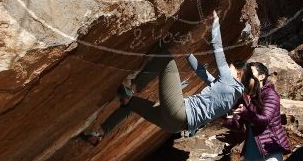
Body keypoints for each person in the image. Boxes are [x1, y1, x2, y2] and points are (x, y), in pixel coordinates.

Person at [82, 11, 245, 143]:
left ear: (239, 73)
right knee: (129, 104)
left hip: (180, 112)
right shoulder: (231, 95)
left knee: (166, 59)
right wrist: (187, 53)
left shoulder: (229, 81)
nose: (228, 66)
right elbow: (202, 73)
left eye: (232, 66)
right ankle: (100, 133)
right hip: (174, 125)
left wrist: (215, 22)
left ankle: (133, 87)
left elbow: (218, 49)